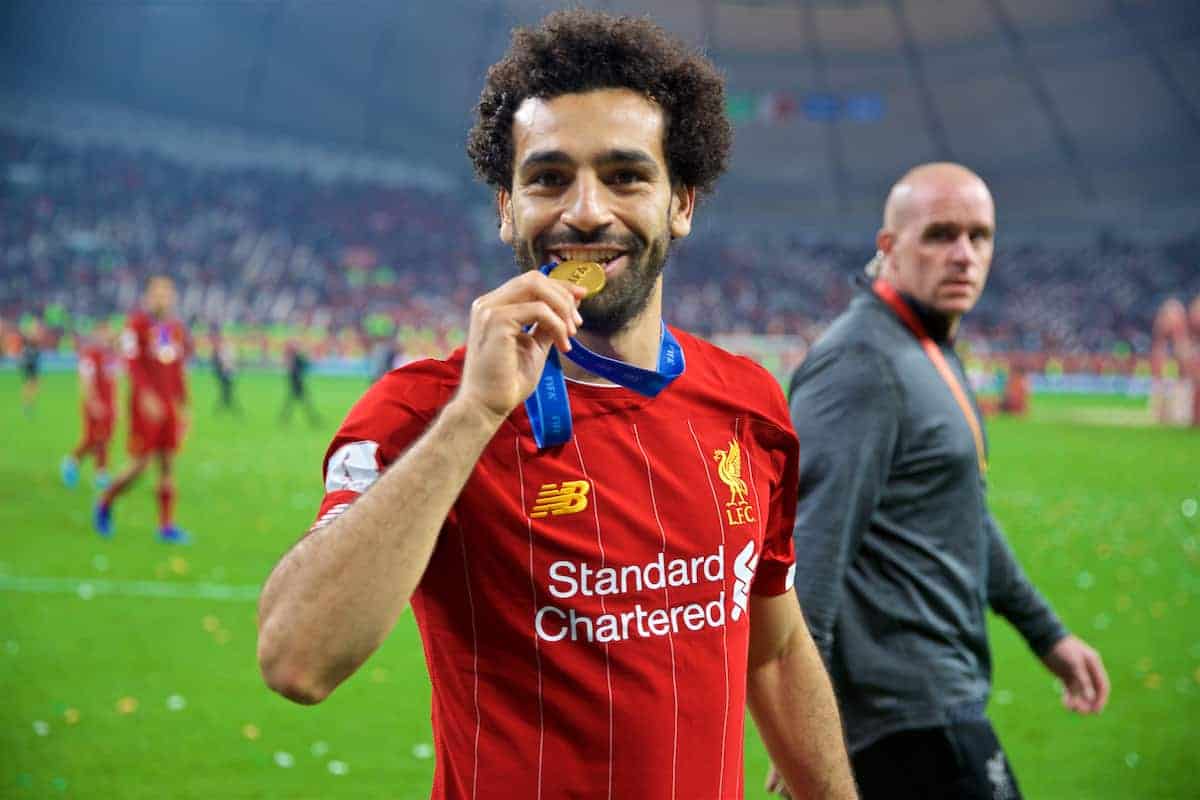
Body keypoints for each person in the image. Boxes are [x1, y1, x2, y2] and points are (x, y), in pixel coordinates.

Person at [257, 11, 856, 800]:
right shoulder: (423, 412)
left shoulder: (748, 403)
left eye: (625, 175)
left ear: (682, 203)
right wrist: (474, 413)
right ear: (507, 207)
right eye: (547, 178)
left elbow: (773, 652)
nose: (585, 211)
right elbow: (297, 658)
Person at [773, 163, 1110, 800]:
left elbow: (964, 511)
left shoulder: (920, 347)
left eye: (980, 237)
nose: (964, 255)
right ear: (889, 249)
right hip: (906, 714)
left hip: (931, 704)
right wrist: (802, 726)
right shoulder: (861, 364)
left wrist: (1048, 635)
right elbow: (807, 549)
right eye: (940, 235)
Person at [94, 276, 191, 544]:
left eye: (167, 293)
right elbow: (132, 364)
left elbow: (178, 370)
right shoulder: (136, 324)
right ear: (148, 297)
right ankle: (105, 500)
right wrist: (146, 396)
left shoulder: (175, 329)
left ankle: (166, 525)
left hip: (169, 406)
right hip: (145, 407)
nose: (162, 298)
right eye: (157, 293)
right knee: (141, 464)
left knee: (168, 463)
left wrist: (184, 406)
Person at [62, 320, 120, 490]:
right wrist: (93, 401)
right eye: (103, 333)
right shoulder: (90, 354)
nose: (107, 336)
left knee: (105, 439)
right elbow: (85, 380)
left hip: (109, 404)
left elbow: (113, 381)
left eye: (108, 332)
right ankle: (72, 462)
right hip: (95, 404)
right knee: (93, 438)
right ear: (96, 335)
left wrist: (115, 404)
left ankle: (101, 473)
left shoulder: (111, 355)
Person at [279, 340, 320, 426]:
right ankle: (314, 420)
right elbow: (303, 366)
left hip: (296, 382)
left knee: (294, 403)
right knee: (305, 403)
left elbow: (304, 365)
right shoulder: (294, 358)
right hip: (297, 383)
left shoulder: (294, 357)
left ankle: (284, 419)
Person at [19, 321, 42, 418]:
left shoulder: (32, 343)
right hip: (30, 366)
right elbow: (25, 355)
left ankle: (28, 404)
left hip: (32, 365)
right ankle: (27, 405)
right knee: (31, 385)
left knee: (33, 385)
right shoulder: (30, 343)